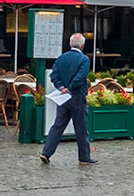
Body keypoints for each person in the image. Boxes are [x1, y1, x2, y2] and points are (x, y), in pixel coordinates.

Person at [40, 32, 96, 166]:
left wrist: (61, 87)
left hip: (63, 97)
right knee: (81, 128)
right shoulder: (84, 59)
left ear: (70, 44)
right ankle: (84, 157)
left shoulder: (61, 58)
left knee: (58, 125)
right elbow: (80, 77)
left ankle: (46, 152)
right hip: (77, 96)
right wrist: (70, 88)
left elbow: (54, 75)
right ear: (82, 45)